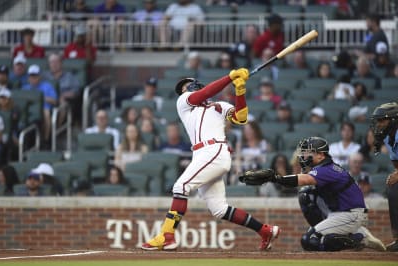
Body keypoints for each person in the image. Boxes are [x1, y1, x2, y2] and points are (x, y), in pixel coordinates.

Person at [141, 68, 280, 251]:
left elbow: (241, 118)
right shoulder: (184, 103)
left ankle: (167, 236)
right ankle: (264, 231)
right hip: (202, 154)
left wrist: (240, 91)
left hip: (214, 150)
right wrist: (230, 77)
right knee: (219, 209)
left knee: (181, 187)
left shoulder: (220, 105)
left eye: (185, 86)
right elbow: (204, 94)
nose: (183, 90)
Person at [238, 136, 386, 252]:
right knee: (306, 194)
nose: (304, 155)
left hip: (351, 215)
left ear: (321, 155)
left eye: (309, 152)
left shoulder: (327, 169)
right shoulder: (323, 167)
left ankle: (358, 238)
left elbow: (304, 179)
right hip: (339, 213)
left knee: (310, 241)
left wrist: (275, 178)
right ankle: (343, 233)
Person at [370, 102, 398, 251]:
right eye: (378, 121)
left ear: (393, 120)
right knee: (394, 188)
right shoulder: (388, 138)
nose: (379, 124)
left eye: (382, 120)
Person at [22, 64, 58, 146]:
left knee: (46, 113)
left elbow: (55, 101)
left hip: (44, 108)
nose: (33, 78)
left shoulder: (47, 86)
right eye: (31, 76)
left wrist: (41, 98)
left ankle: (46, 140)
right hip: (29, 109)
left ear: (39, 76)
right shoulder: (25, 88)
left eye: (35, 76)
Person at [43, 53, 81, 124]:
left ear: (61, 63)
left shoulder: (69, 77)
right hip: (48, 100)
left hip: (63, 100)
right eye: (52, 62)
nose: (54, 64)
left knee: (63, 104)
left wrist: (63, 95)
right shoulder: (44, 76)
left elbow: (76, 91)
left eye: (56, 62)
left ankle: (58, 129)